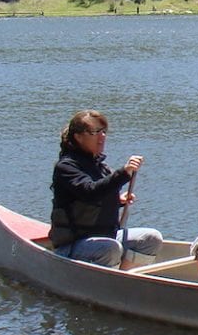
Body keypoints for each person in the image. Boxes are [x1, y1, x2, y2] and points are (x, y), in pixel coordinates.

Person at [48, 110, 163, 269]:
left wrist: (117, 201)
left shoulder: (100, 166)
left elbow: (99, 195)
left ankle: (126, 280)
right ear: (78, 136)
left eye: (104, 131)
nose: (102, 136)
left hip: (105, 238)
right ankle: (112, 284)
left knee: (151, 239)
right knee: (110, 248)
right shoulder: (67, 167)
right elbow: (90, 192)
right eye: (95, 132)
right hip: (73, 244)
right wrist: (124, 173)